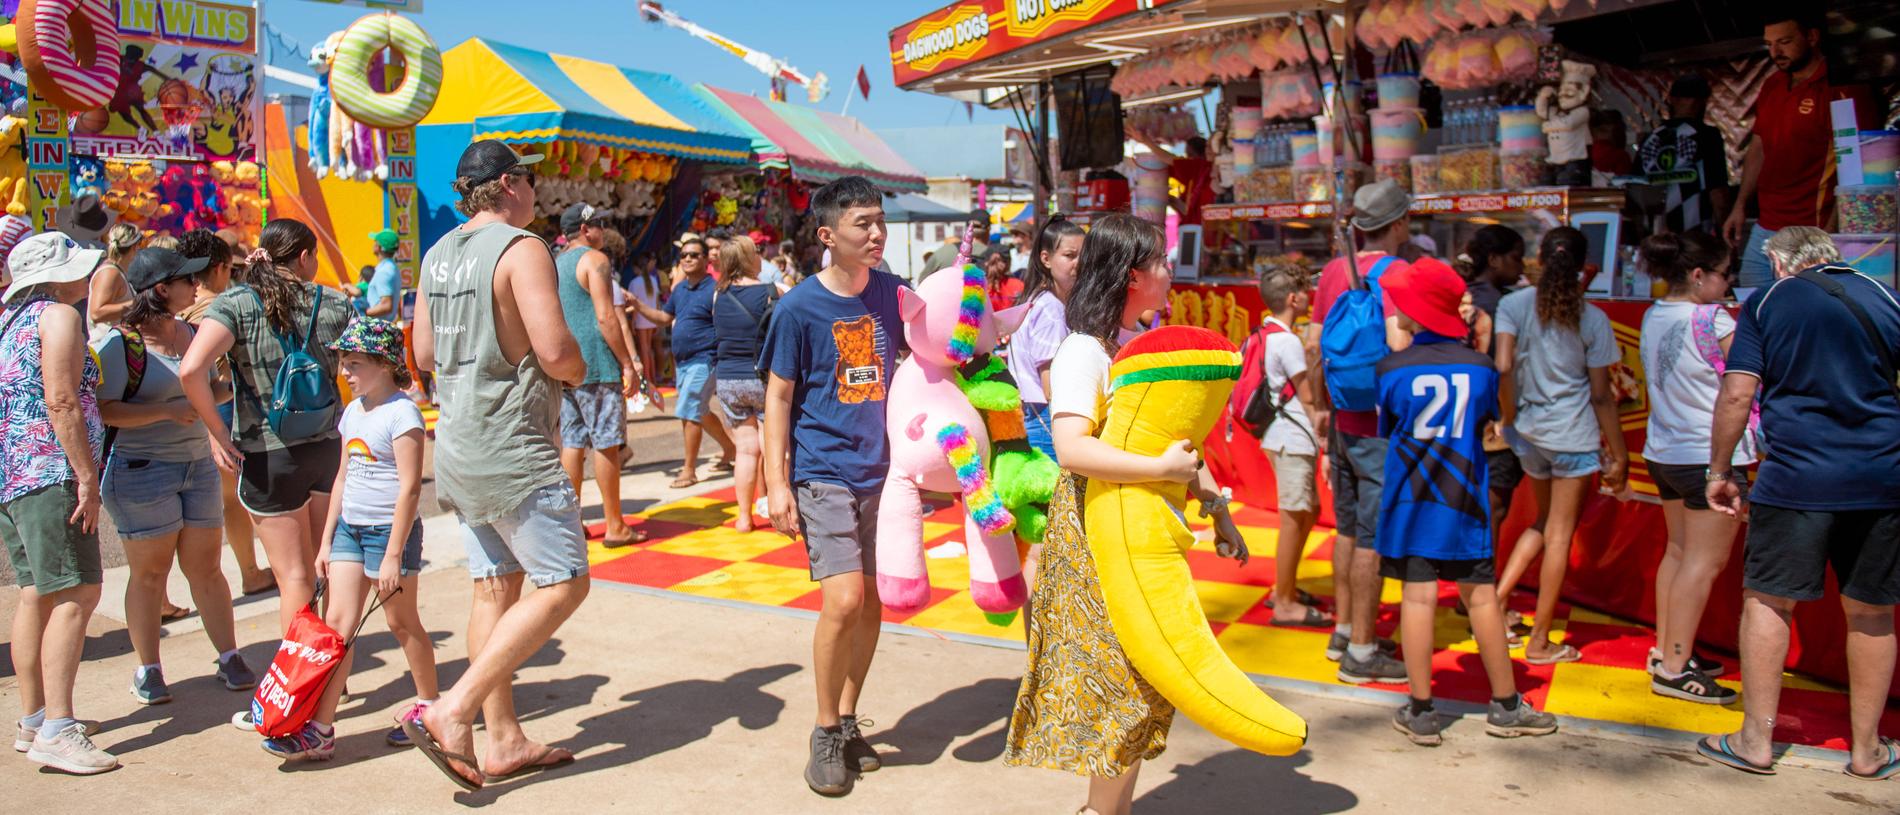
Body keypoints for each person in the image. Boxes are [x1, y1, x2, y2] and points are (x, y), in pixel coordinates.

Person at [1003, 212, 1246, 815]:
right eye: (1162, 262)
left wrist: (1216, 509)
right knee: (1125, 686)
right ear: (1135, 275)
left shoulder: (1131, 344)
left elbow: (1179, 440)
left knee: (1142, 683)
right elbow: (1072, 448)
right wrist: (1164, 471)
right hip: (1094, 538)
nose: (1171, 272)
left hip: (1138, 531)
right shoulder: (1085, 349)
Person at [405, 139, 591, 790]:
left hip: (456, 440)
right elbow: (556, 347)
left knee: (494, 586)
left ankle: (504, 736)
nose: (536, 192)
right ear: (510, 184)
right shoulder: (523, 247)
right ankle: (453, 711)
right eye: (531, 179)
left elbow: (423, 354)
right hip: (513, 443)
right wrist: (579, 370)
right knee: (564, 581)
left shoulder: (436, 254)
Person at [1699, 227, 1900, 779]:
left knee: (1769, 602)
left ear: (1780, 264)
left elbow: (1738, 391)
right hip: (1882, 476)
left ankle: (1755, 742)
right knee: (1873, 611)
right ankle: (1867, 751)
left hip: (1797, 479)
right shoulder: (1883, 295)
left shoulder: (1768, 301)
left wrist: (1720, 470)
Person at [759, 176, 908, 796]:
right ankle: (823, 729)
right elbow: (778, 397)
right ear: (828, 235)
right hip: (822, 470)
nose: (875, 234)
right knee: (843, 600)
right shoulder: (797, 308)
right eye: (861, 225)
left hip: (886, 473)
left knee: (873, 604)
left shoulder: (897, 296)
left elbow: (939, 353)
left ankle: (848, 721)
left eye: (879, 222)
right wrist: (777, 482)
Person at [1375, 258, 1559, 746]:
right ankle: (1505, 704)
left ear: (1413, 313)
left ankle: (1421, 710)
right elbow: (1488, 419)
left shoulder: (1391, 368)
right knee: (1481, 596)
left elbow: (1388, 424)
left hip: (1410, 500)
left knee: (1417, 596)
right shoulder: (1479, 367)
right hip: (1466, 502)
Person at [266, 318, 438, 760]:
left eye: (355, 362)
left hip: (388, 536)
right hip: (349, 531)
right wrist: (325, 542)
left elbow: (410, 487)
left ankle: (431, 707)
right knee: (337, 631)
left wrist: (394, 554)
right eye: (343, 361)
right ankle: (320, 729)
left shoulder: (403, 413)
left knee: (402, 624)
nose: (345, 370)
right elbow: (342, 476)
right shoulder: (353, 411)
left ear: (384, 364)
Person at [180, 219, 353, 654]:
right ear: (305, 257)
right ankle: (330, 674)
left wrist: (218, 433)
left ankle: (300, 679)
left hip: (266, 452)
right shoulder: (333, 301)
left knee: (292, 576)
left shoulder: (236, 304)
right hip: (326, 447)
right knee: (322, 565)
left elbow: (190, 370)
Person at [96, 247, 255, 707]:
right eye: (187, 280)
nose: (197, 285)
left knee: (206, 568)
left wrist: (228, 390)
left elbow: (211, 387)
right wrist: (167, 411)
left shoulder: (193, 332)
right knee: (150, 573)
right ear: (163, 290)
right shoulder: (118, 345)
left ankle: (229, 657)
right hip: (141, 472)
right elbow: (106, 410)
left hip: (196, 468)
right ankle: (148, 668)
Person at [1, 232, 117, 774]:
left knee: (36, 595)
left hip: (13, 474)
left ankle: (35, 718)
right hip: (50, 471)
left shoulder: (10, 322)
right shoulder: (58, 316)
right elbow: (62, 397)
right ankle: (57, 728)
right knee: (77, 591)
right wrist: (85, 476)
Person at [1493, 227, 1629, 665]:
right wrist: (1621, 453)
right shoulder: (1591, 318)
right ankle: (1538, 641)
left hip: (1528, 433)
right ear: (1584, 265)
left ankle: (1495, 605)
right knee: (1558, 533)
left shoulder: (1512, 305)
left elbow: (1503, 365)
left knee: (1543, 521)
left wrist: (1509, 418)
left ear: (1539, 257)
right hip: (1572, 435)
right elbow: (1602, 395)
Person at [1308, 179, 1412, 683]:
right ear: (1399, 225)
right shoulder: (1399, 273)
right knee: (1371, 537)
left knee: (1346, 528)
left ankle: (1345, 630)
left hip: (1342, 421)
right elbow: (1397, 342)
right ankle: (1364, 653)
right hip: (1379, 429)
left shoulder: (1332, 271)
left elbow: (1313, 346)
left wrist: (1320, 407)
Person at [1637, 231, 1745, 704]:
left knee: (1679, 555)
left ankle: (1668, 650)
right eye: (1725, 274)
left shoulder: (1653, 313)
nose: (1729, 284)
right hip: (1708, 456)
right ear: (1699, 275)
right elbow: (1744, 385)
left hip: (1664, 452)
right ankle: (1675, 668)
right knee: (1703, 563)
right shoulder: (1714, 319)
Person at [1723, 13, 1884, 291]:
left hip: (1812, 230)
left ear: (1812, 37)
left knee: (1801, 313)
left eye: (1784, 41)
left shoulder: (1842, 88)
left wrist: (1833, 232)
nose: (1776, 52)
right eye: (1769, 44)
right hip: (1766, 224)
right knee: (1751, 306)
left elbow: (1857, 163)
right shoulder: (1772, 85)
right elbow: (1758, 147)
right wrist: (1739, 205)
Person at [177, 229, 273, 597]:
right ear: (220, 267)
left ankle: (240, 572)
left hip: (181, 418)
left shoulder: (171, 307)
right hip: (223, 410)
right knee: (244, 496)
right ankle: (252, 570)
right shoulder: (226, 306)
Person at [552, 204, 645, 547]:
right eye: (599, 224)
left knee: (573, 444)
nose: (604, 230)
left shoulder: (556, 263)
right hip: (598, 362)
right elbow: (607, 317)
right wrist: (626, 362)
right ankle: (615, 525)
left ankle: (573, 521)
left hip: (566, 365)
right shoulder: (595, 261)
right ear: (585, 228)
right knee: (607, 442)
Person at [1453, 226, 1528, 581]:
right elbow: (1503, 368)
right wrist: (1508, 417)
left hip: (1459, 418)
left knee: (1476, 507)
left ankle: (1473, 588)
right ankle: (1481, 592)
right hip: (1492, 422)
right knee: (1493, 508)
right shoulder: (1502, 305)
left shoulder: (1463, 297)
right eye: (1516, 256)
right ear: (1494, 259)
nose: (1522, 264)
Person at [631, 236, 735, 489]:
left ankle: (689, 470)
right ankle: (730, 449)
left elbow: (725, 324)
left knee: (689, 410)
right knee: (699, 410)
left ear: (705, 259)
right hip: (684, 362)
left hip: (705, 358)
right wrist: (637, 306)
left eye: (694, 255)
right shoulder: (680, 290)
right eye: (684, 255)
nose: (687, 259)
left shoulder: (715, 288)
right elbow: (664, 318)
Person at [1257, 266, 1330, 628]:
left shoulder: (1266, 334)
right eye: (1305, 292)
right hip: (1292, 435)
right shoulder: (1286, 341)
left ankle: (1286, 586)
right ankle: (1283, 599)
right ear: (1292, 298)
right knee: (1293, 517)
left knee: (1307, 510)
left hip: (1280, 434)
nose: (1309, 298)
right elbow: (1308, 394)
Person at [711, 235, 777, 534]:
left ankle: (743, 517)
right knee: (773, 448)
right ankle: (778, 510)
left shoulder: (717, 294)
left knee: (745, 451)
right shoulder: (769, 292)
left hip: (727, 378)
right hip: (760, 376)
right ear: (750, 259)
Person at [1009, 218, 1085, 462]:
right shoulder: (1051, 308)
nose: (1079, 263)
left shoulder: (1042, 300)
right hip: (1045, 418)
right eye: (1070, 255)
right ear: (1045, 258)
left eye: (1083, 255)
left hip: (1033, 415)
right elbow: (1050, 382)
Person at [1638, 75, 1731, 236]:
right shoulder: (1707, 136)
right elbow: (1718, 193)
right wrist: (1725, 233)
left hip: (1655, 237)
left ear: (1671, 99)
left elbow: (1636, 190)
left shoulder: (1651, 138)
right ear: (1703, 101)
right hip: (1695, 236)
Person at [1136, 135, 1216, 226]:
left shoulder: (1199, 166)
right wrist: (1171, 199)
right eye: (1207, 146)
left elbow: (1170, 159)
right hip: (1192, 228)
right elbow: (1187, 211)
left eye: (1190, 155)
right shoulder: (1200, 173)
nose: (1186, 158)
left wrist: (1146, 141)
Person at [85, 223, 146, 331]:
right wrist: (139, 304)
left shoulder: (117, 270)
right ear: (134, 247)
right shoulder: (110, 273)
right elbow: (96, 313)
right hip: (104, 344)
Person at [919, 208, 990, 278]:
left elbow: (922, 281)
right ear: (988, 229)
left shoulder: (944, 252)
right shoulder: (994, 256)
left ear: (967, 228)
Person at [363, 229, 403, 319]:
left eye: (375, 241)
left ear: (379, 247)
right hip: (383, 325)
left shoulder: (384, 271)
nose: (373, 244)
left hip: (378, 328)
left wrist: (361, 312)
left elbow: (386, 306)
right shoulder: (391, 267)